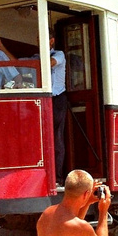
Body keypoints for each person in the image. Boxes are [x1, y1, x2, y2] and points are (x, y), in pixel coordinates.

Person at [36, 169, 111, 236]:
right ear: (86, 194)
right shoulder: (81, 227)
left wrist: (87, 202)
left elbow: (74, 223)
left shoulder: (47, 213)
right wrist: (103, 211)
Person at [52, 44, 69, 184]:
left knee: (57, 137)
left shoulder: (59, 54)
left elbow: (50, 63)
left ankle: (57, 177)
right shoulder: (37, 56)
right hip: (44, 98)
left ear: (51, 40)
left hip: (57, 99)